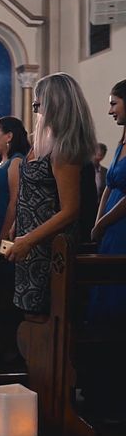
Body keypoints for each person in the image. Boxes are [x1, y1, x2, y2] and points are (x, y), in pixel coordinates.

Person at [7, 73, 97, 320]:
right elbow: (32, 190)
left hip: (47, 245)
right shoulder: (41, 142)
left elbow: (70, 210)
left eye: (38, 104)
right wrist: (18, 224)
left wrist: (29, 240)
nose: (36, 110)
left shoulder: (65, 148)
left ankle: (45, 360)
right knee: (29, 316)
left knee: (42, 318)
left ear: (55, 104)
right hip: (30, 240)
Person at [89, 79, 126, 326]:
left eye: (114, 104)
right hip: (110, 226)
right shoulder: (121, 142)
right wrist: (98, 221)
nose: (110, 110)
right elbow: (110, 186)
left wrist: (103, 222)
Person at [0, 117, 30, 241]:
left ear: (9, 136)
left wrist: (4, 233)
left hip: (4, 220)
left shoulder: (16, 161)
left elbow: (15, 200)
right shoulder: (1, 162)